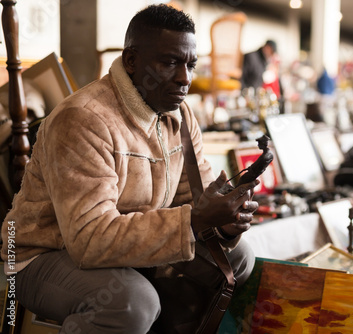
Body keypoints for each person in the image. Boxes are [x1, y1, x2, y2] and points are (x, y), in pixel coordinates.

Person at [1, 4, 260, 334]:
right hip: (42, 253)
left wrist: (225, 222)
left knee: (240, 259)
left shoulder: (180, 116)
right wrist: (195, 220)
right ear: (132, 61)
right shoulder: (84, 120)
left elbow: (194, 200)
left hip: (124, 250)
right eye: (169, 62)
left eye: (190, 64)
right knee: (131, 301)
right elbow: (88, 240)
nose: (185, 78)